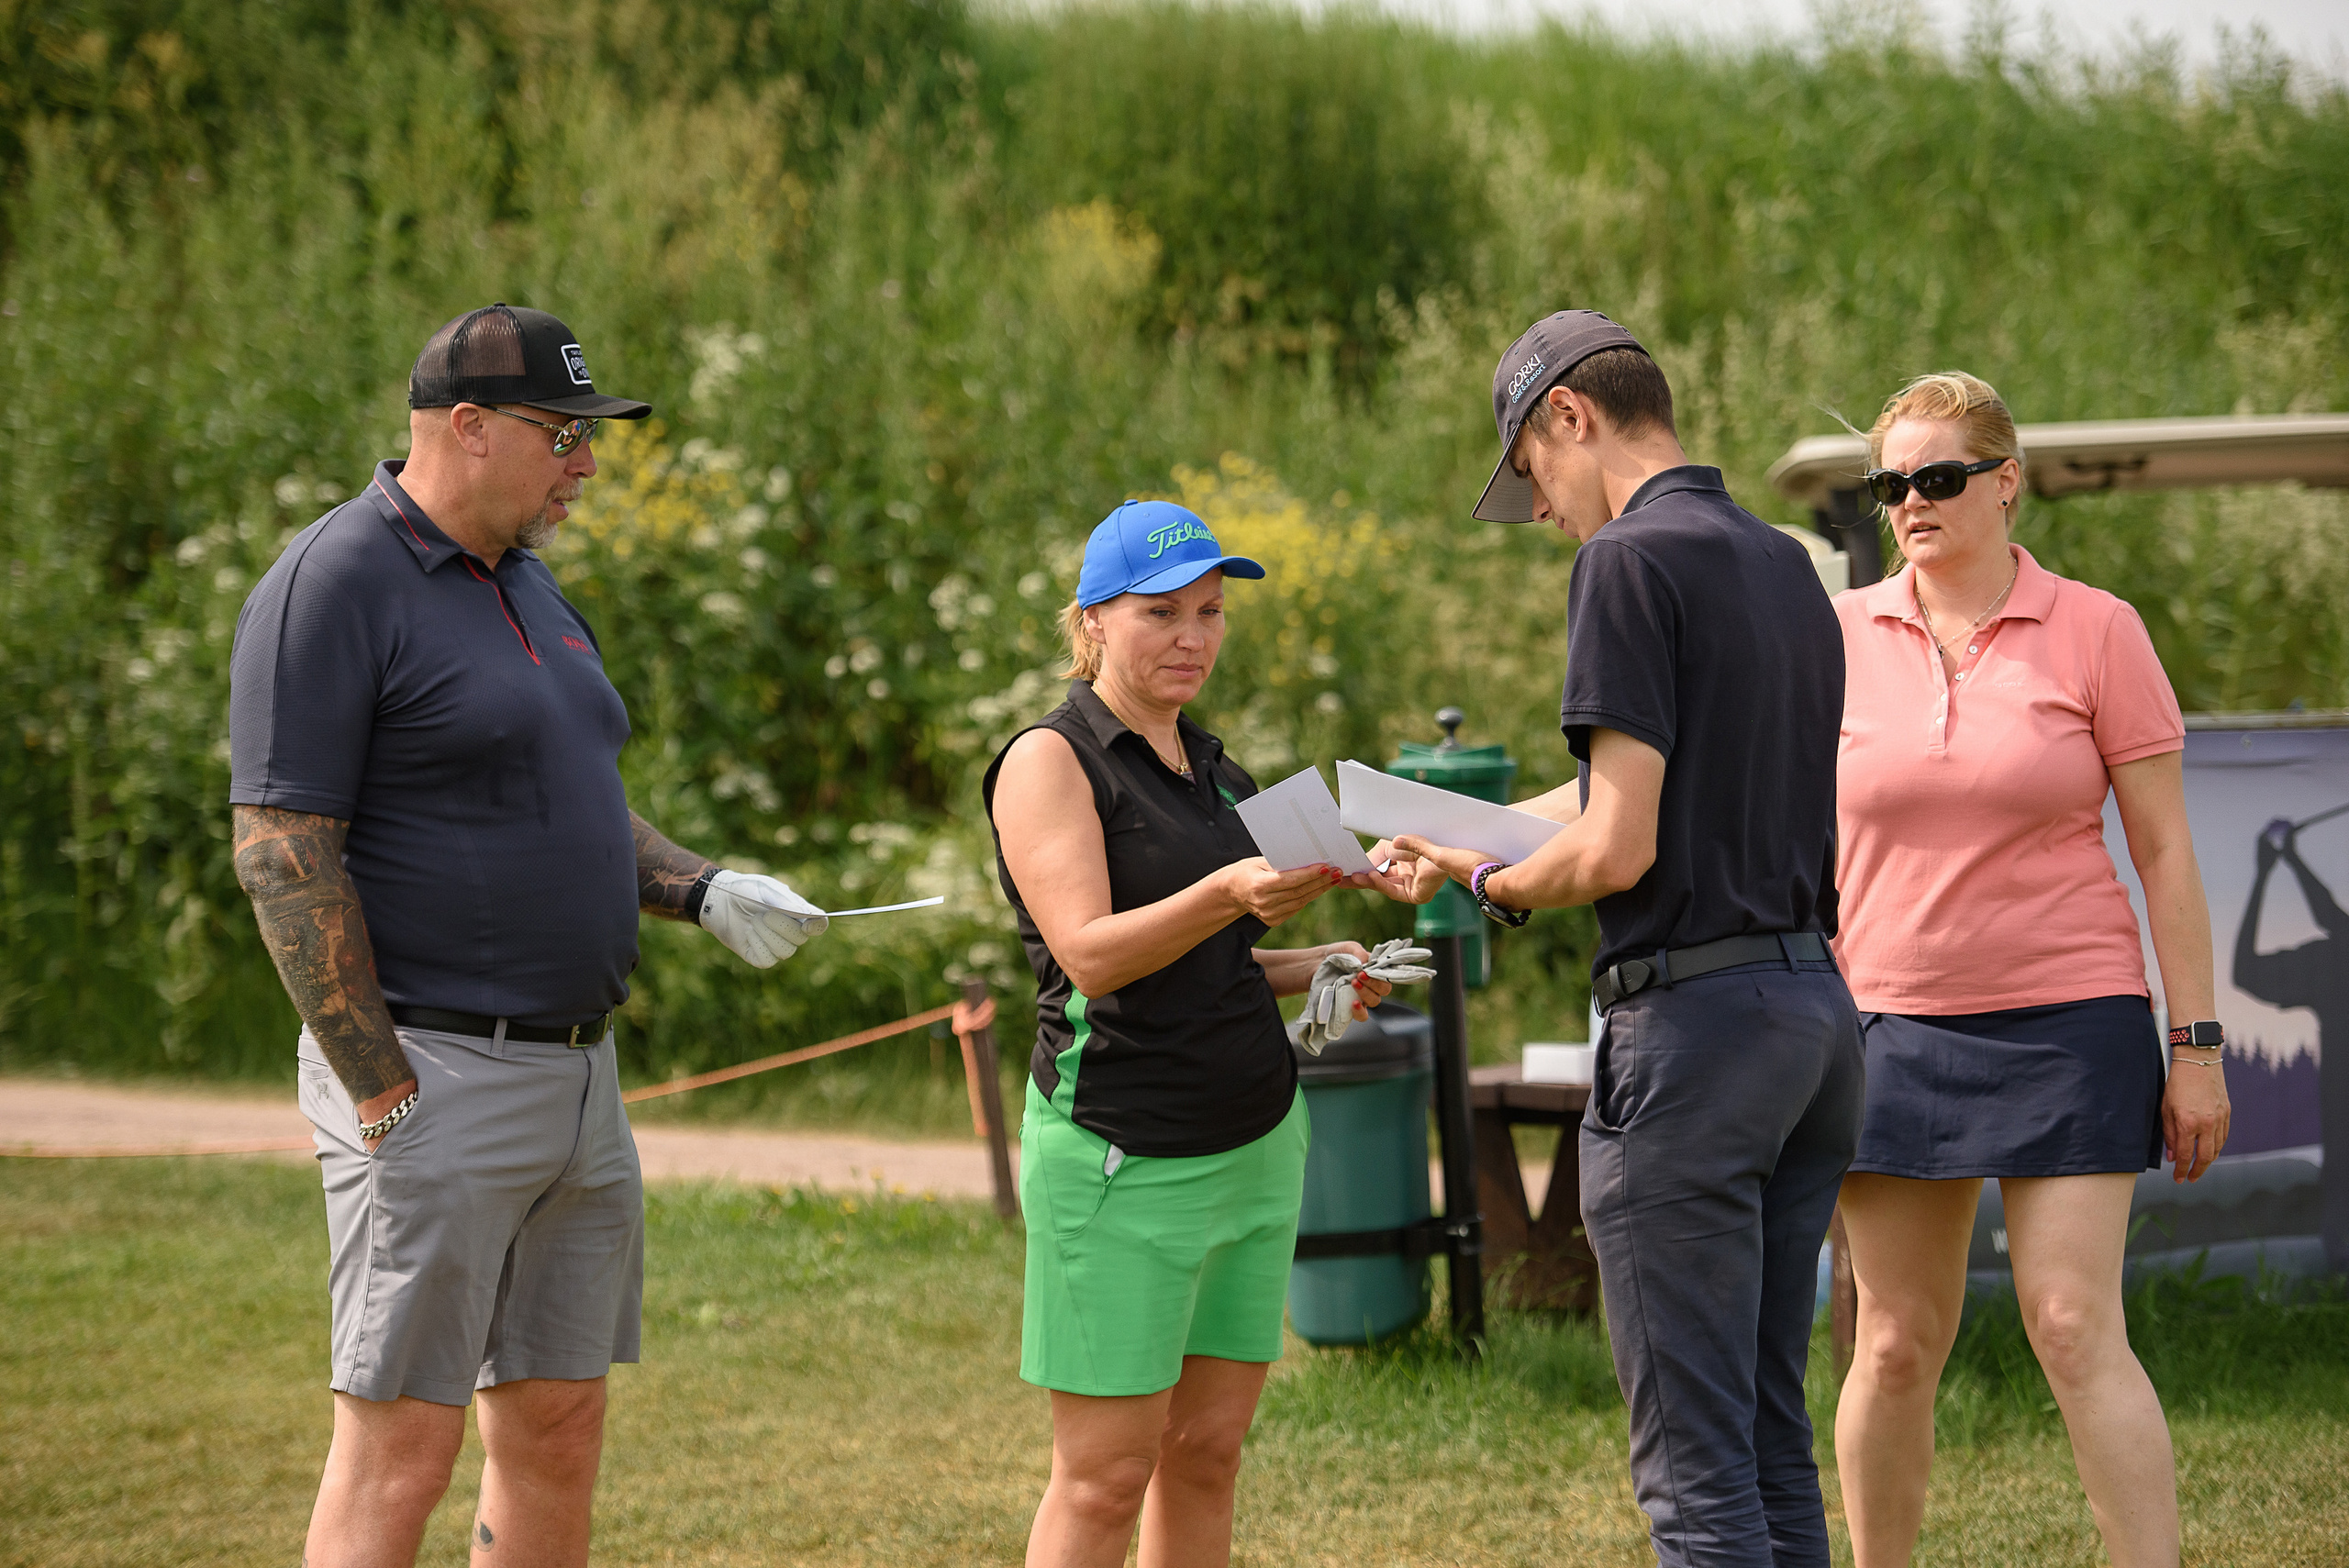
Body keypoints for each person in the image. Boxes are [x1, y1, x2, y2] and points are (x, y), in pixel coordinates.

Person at [228, 303, 829, 1568]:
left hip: (578, 1080)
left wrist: (703, 885)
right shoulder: (333, 578)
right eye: (563, 435)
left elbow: (575, 801)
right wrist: (382, 1093)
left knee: (559, 1423)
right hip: (434, 1075)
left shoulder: (530, 584)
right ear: (467, 426)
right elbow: (283, 851)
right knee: (400, 1448)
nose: (585, 466)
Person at [1386, 310, 1859, 1568]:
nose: (1540, 511)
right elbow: (1632, 791)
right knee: (1766, 1440)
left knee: (1694, 1482)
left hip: (1694, 1040)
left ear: (1568, 417)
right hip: (1813, 1021)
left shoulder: (1625, 566)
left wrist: (1483, 882)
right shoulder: (1780, 563)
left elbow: (1615, 850)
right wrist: (1440, 827)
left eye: (1529, 475)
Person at [1827, 371, 2231, 1568]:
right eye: (1891, 483)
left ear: (2007, 482)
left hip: (2073, 1017)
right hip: (1885, 1025)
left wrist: (2195, 1048)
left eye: (1938, 477)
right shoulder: (1837, 637)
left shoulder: (2100, 628)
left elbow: (2164, 851)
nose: (1911, 500)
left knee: (2070, 1322)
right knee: (1894, 1341)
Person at [984, 499, 1411, 1568]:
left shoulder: (1218, 768)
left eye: (1212, 612)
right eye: (1161, 612)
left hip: (1256, 1144)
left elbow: (1215, 961)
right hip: (1120, 1154)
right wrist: (1228, 889)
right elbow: (1088, 952)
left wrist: (1321, 966)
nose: (1193, 636)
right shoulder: (1051, 757)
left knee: (1208, 1451)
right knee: (1104, 1475)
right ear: (1090, 622)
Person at [2234, 813, 2347, 1271]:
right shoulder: (2335, 958)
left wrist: (2270, 872)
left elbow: (2246, 970)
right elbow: (2330, 917)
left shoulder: (2333, 961)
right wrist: (2289, 863)